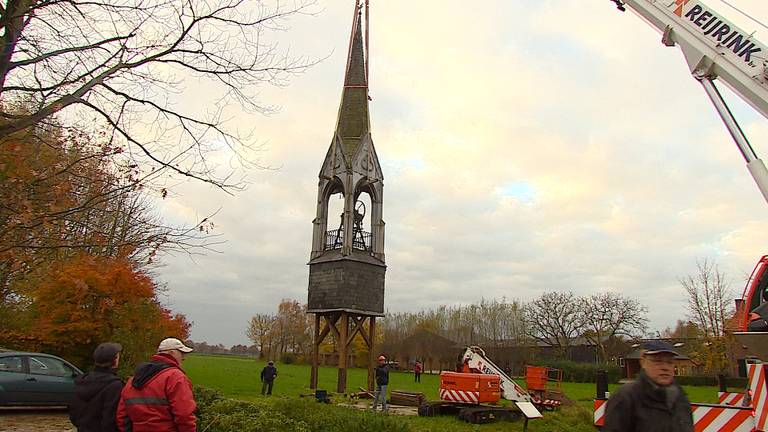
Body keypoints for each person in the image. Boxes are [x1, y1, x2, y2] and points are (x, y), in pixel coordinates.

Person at [603, 340, 694, 432]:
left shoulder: (681, 398)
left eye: (669, 362)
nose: (665, 367)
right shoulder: (626, 398)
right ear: (643, 362)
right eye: (657, 361)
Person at [116, 338, 196, 432]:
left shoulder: (133, 379)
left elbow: (122, 415)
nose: (184, 357)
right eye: (181, 353)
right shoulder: (175, 377)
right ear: (171, 353)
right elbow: (184, 414)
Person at [69, 342, 124, 432]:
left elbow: (74, 413)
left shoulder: (81, 381)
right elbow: (110, 420)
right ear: (115, 361)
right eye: (117, 356)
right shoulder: (115, 386)